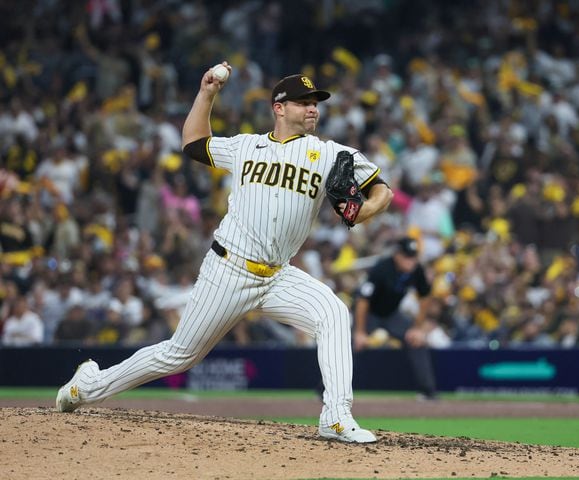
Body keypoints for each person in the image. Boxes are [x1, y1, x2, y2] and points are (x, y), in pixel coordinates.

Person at [55, 64, 393, 444]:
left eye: (315, 103)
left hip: (278, 275)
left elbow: (382, 189)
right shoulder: (247, 146)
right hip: (228, 268)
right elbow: (193, 142)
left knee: (332, 312)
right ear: (279, 108)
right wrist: (207, 93)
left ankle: (335, 416)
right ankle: (88, 386)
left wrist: (364, 210)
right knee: (179, 356)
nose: (313, 108)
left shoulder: (333, 153)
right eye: (303, 102)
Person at [353, 237, 437, 399]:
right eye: (407, 257)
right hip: (370, 314)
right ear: (397, 255)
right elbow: (362, 301)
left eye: (413, 257)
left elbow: (425, 296)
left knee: (416, 341)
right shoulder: (382, 268)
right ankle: (325, 391)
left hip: (392, 315)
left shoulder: (416, 270)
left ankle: (428, 392)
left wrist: (417, 327)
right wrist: (360, 331)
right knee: (349, 347)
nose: (411, 261)